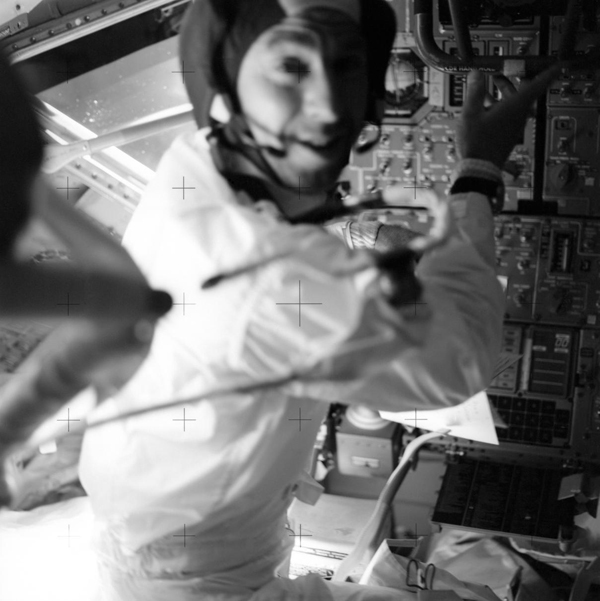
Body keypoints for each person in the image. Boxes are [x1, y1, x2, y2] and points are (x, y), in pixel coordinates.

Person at [0, 0, 560, 599]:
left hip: (150, 529)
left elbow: (264, 223)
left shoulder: (194, 159)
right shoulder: (265, 271)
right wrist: (477, 173)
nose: (325, 105)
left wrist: (357, 233)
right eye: (292, 68)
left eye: (344, 67)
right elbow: (456, 364)